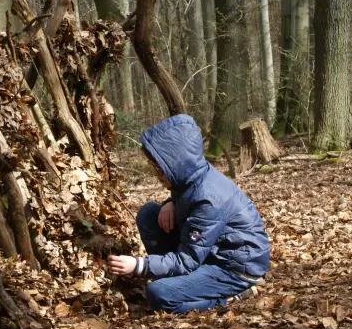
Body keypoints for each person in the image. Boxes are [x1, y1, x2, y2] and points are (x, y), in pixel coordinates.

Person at [108, 114, 270, 314]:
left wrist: (139, 265)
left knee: (158, 294)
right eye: (155, 168)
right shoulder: (188, 177)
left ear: (176, 163)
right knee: (150, 213)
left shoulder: (208, 199)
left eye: (159, 169)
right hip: (211, 251)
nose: (157, 175)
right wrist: (170, 202)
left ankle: (226, 297)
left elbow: (187, 260)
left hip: (235, 268)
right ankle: (177, 281)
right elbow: (187, 202)